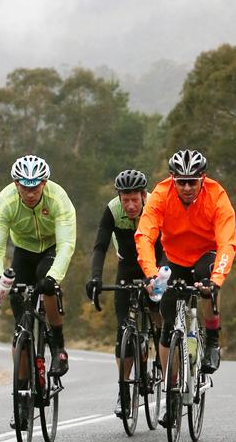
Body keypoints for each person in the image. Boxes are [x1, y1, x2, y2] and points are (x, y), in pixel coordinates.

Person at [135, 149, 236, 426]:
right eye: (182, 181)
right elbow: (145, 234)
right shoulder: (160, 194)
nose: (188, 187)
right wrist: (152, 274)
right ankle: (172, 389)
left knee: (207, 286)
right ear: (172, 180)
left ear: (203, 178)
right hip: (175, 259)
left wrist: (216, 279)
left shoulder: (217, 196)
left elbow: (227, 241)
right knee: (168, 324)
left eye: (193, 181)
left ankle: (213, 341)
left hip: (207, 256)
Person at [0, 154, 76, 429]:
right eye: (25, 186)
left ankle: (58, 346)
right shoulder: (6, 201)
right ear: (16, 184)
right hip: (23, 252)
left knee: (47, 286)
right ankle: (22, 398)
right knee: (20, 331)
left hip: (51, 250)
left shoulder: (58, 198)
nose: (30, 192)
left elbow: (67, 245)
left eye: (35, 186)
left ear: (44, 183)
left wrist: (53, 277)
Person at [86, 169, 163, 417]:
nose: (129, 205)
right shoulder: (112, 209)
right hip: (127, 264)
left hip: (153, 259)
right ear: (119, 197)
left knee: (156, 309)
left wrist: (158, 277)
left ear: (143, 195)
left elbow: (167, 243)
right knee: (122, 332)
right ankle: (124, 390)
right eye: (124, 199)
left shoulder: (155, 205)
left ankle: (162, 350)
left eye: (134, 199)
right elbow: (100, 246)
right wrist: (95, 277)